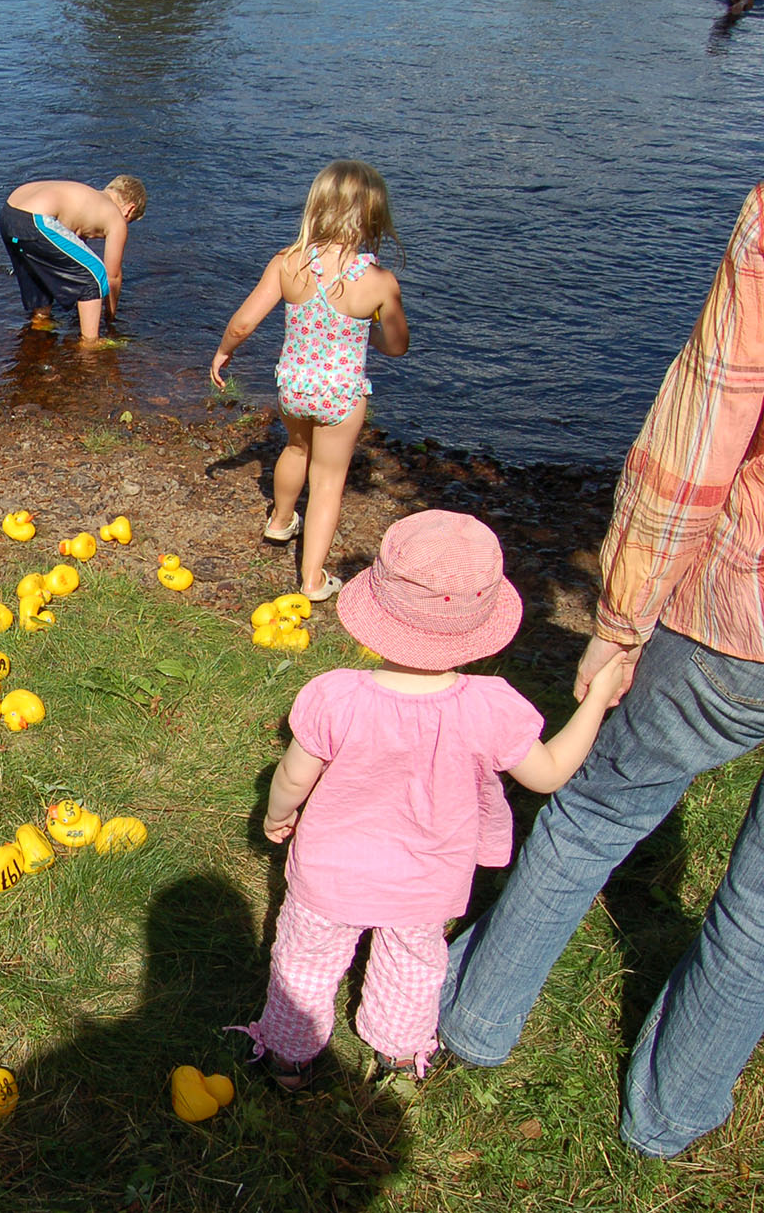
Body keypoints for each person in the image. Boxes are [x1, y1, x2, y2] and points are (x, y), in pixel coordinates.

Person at [440, 182, 764, 1159]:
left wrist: (621, 616)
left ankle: (474, 1019)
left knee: (593, 810)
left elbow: (703, 422)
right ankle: (668, 1115)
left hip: (735, 614)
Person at [233, 511, 628, 1088]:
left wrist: (277, 814)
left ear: (376, 616)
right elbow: (547, 775)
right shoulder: (491, 706)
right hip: (428, 877)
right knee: (414, 962)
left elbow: (294, 776)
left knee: (306, 960)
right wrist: (596, 701)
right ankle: (396, 1053)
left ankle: (290, 1056)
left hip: (330, 871)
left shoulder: (335, 695)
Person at [210, 161, 410, 602]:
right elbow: (397, 345)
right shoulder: (378, 282)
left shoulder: (290, 262)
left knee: (295, 448)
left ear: (317, 207)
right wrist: (364, 331)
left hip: (294, 386)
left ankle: (280, 520)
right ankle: (312, 580)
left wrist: (225, 352)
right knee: (328, 480)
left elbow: (244, 322)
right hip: (341, 394)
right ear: (374, 216)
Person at [0, 177, 146, 340]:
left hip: (9, 213)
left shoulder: (87, 196)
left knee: (40, 267)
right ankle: (90, 343)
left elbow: (69, 254)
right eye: (129, 221)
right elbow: (113, 276)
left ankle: (41, 321)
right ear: (129, 210)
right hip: (36, 219)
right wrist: (110, 318)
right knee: (95, 275)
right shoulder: (116, 217)